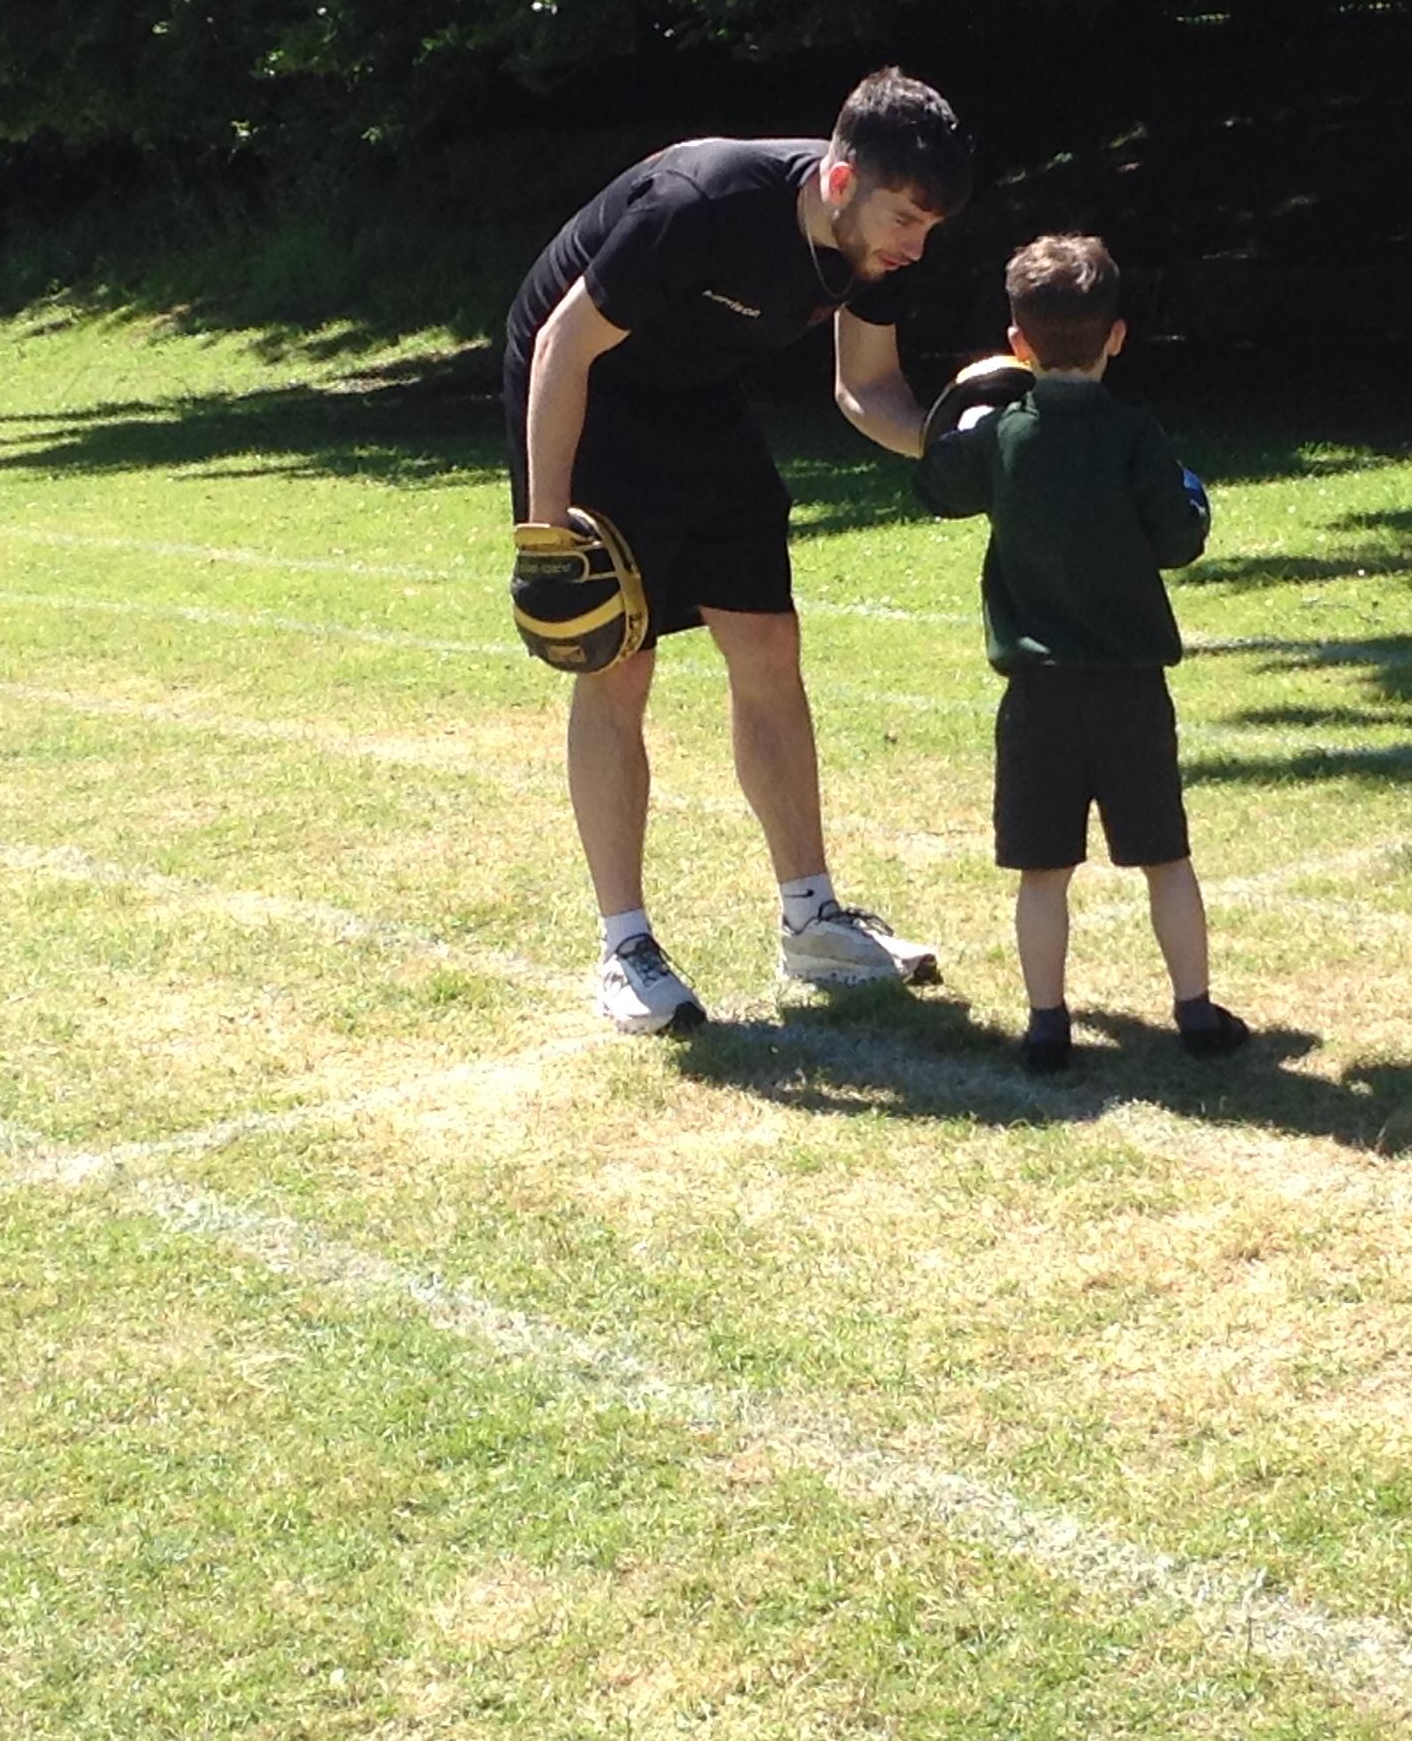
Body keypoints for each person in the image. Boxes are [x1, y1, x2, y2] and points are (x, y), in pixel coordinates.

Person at [504, 68, 971, 1034]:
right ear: (840, 182)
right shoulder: (702, 201)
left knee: (768, 644)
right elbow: (559, 346)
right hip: (591, 393)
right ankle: (624, 949)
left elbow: (866, 390)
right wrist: (549, 538)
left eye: (930, 227)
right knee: (618, 665)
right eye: (904, 220)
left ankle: (813, 921)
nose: (915, 247)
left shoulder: (874, 253)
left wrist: (960, 449)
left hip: (700, 398)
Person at [912, 234, 1250, 1074]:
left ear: (1018, 342)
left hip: (1039, 694)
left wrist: (962, 416)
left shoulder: (1002, 437)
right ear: (1118, 336)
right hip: (1131, 689)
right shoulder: (1136, 433)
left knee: (1042, 871)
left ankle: (1046, 1024)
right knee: (1166, 858)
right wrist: (1191, 491)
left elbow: (937, 485)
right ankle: (1196, 1012)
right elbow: (1178, 539)